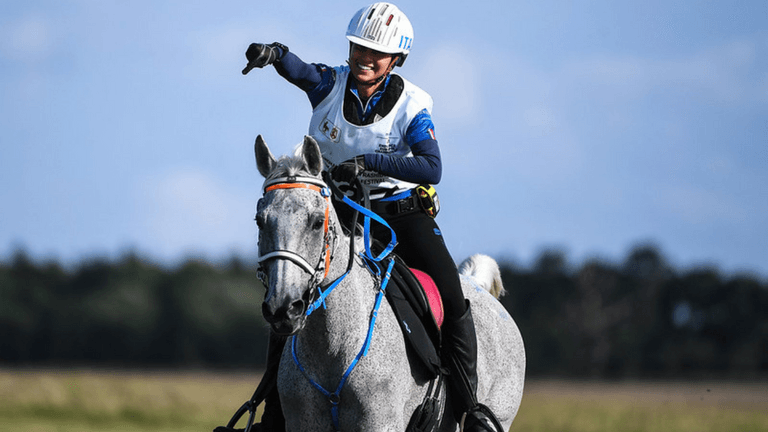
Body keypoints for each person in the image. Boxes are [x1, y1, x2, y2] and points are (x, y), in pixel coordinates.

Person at [237, 3, 499, 431]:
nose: (364, 57)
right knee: (290, 295)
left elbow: (431, 167)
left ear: (396, 60)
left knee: (452, 296)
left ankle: (471, 410)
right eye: (358, 47)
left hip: (401, 214)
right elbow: (300, 70)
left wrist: (370, 162)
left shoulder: (413, 105)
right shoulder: (329, 86)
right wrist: (273, 54)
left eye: (376, 52)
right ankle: (273, 414)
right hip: (341, 214)